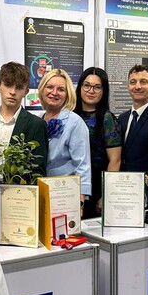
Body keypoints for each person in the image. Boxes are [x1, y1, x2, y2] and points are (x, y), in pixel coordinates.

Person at [74, 67, 122, 218]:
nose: (91, 91)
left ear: (103, 91)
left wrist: (106, 194)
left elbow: (115, 160)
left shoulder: (107, 119)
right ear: (80, 87)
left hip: (96, 187)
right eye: (87, 85)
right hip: (72, 184)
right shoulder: (70, 115)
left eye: (97, 87)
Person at [38, 69, 92, 200]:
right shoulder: (38, 120)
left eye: (61, 89)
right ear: (42, 90)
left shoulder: (75, 122)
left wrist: (80, 201)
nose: (54, 92)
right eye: (50, 87)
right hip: (41, 192)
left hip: (64, 195)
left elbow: (82, 165)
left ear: (68, 94)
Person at [0, 62, 49, 182]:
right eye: (8, 85)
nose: (12, 92)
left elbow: (38, 172)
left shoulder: (36, 125)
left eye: (19, 87)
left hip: (19, 191)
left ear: (26, 91)